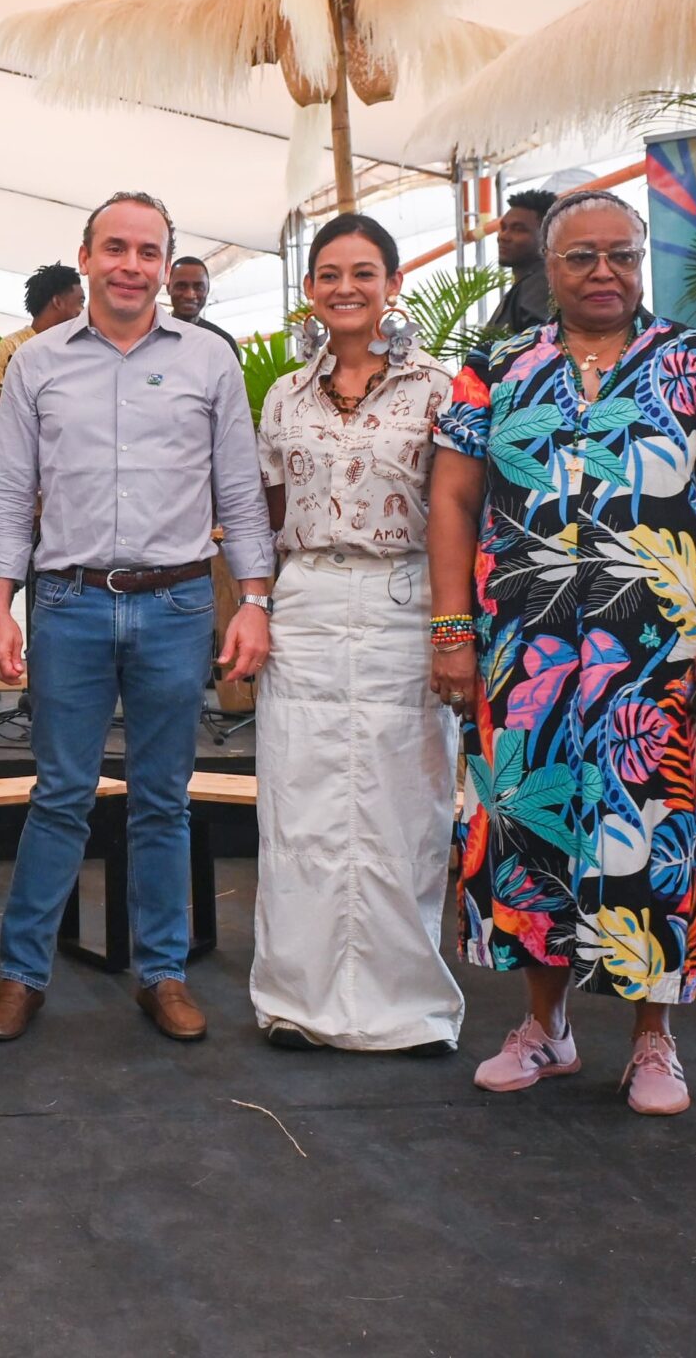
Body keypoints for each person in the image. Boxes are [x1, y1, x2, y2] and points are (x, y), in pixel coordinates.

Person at [429, 189, 696, 1116]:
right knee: (530, 828)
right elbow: (454, 502)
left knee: (653, 832)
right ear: (550, 265)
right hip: (525, 651)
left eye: (622, 254)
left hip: (659, 653)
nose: (605, 273)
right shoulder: (494, 368)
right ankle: (545, 1028)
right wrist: (453, 631)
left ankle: (655, 1041)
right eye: (582, 257)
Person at [0, 192, 273, 1044]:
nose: (132, 265)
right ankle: (19, 973)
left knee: (163, 798)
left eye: (149, 250)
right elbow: (6, 498)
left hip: (178, 602)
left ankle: (164, 972)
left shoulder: (209, 362)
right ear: (85, 254)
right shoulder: (37, 363)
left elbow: (240, 494)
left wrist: (253, 601)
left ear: (166, 262)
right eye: (117, 247)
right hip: (67, 601)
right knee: (61, 793)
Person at [250, 215, 461, 1056]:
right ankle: (295, 1000)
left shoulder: (441, 389)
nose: (346, 287)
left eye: (364, 272)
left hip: (402, 601)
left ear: (393, 284)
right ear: (309, 290)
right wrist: (260, 604)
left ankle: (405, 1009)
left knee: (402, 805)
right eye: (329, 273)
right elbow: (267, 512)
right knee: (299, 805)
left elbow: (458, 515)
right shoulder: (283, 396)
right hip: (304, 600)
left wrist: (454, 628)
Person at [0, 263, 83, 436]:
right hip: (13, 461)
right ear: (58, 302)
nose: (83, 312)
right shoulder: (9, 347)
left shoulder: (76, 353)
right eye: (80, 302)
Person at [481, 189, 557, 336]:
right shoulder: (526, 284)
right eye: (503, 228)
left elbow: (539, 347)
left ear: (548, 237)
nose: (503, 236)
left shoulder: (540, 283)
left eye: (518, 229)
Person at [168, 255, 241, 350]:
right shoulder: (151, 336)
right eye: (181, 286)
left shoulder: (222, 342)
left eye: (198, 287)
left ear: (208, 289)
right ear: (168, 288)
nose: (190, 295)